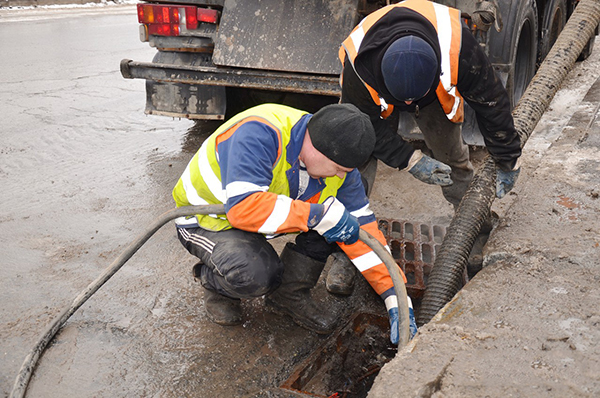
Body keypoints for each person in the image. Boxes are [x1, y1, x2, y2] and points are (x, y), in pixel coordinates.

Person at [172, 103, 417, 344]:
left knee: (339, 216)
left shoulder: (336, 159)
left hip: (261, 216)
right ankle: (216, 285)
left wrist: (396, 297)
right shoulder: (258, 133)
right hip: (209, 220)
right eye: (339, 168)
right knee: (256, 273)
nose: (341, 176)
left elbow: (364, 234)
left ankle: (288, 295)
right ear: (320, 149)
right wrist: (317, 216)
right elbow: (242, 209)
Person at [330, 0, 522, 290]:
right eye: (403, 101)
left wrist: (507, 159)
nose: (408, 107)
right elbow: (367, 126)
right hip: (375, 97)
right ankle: (348, 245)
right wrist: (410, 159)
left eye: (412, 101)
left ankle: (475, 225)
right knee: (354, 158)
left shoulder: (461, 50)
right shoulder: (360, 64)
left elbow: (492, 105)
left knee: (453, 156)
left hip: (432, 92)